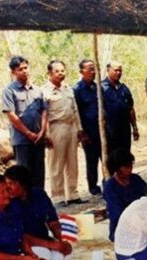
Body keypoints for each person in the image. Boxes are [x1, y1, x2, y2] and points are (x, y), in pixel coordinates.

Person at [0, 174, 56, 260]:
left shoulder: (11, 209)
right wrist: (22, 259)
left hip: (15, 256)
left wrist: (29, 253)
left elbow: (22, 235)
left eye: (8, 190)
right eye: (2, 192)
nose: (8, 194)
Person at [42, 60, 87, 207]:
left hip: (71, 127)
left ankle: (73, 193)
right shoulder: (45, 91)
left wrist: (79, 128)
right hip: (56, 128)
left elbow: (75, 110)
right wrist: (47, 134)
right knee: (56, 164)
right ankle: (58, 196)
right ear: (49, 73)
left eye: (63, 70)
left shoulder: (68, 89)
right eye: (57, 71)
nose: (61, 73)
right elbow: (44, 115)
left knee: (72, 163)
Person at [1, 56, 47, 188]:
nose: (24, 71)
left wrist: (42, 131)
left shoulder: (37, 90)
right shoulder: (9, 91)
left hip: (38, 139)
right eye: (20, 69)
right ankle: (25, 206)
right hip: (22, 141)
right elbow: (11, 115)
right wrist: (28, 133)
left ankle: (40, 204)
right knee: (24, 175)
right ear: (13, 72)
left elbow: (44, 111)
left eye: (26, 68)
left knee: (39, 174)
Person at [103, 149, 146, 242]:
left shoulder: (136, 179)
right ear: (117, 168)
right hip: (121, 228)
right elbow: (117, 213)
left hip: (142, 223)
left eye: (130, 165)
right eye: (126, 167)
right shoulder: (110, 187)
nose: (130, 169)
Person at [73, 59, 102, 196]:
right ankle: (93, 186)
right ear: (81, 72)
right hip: (88, 131)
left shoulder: (98, 88)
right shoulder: (77, 90)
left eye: (94, 69)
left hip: (102, 130)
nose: (93, 72)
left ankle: (107, 182)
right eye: (89, 69)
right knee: (92, 160)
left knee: (106, 158)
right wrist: (82, 133)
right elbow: (76, 112)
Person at [101, 61, 139, 154]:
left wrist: (134, 128)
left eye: (120, 71)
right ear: (108, 70)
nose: (118, 73)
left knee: (125, 157)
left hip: (124, 131)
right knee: (111, 159)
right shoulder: (101, 88)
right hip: (110, 132)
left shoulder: (124, 88)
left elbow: (130, 109)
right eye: (116, 70)